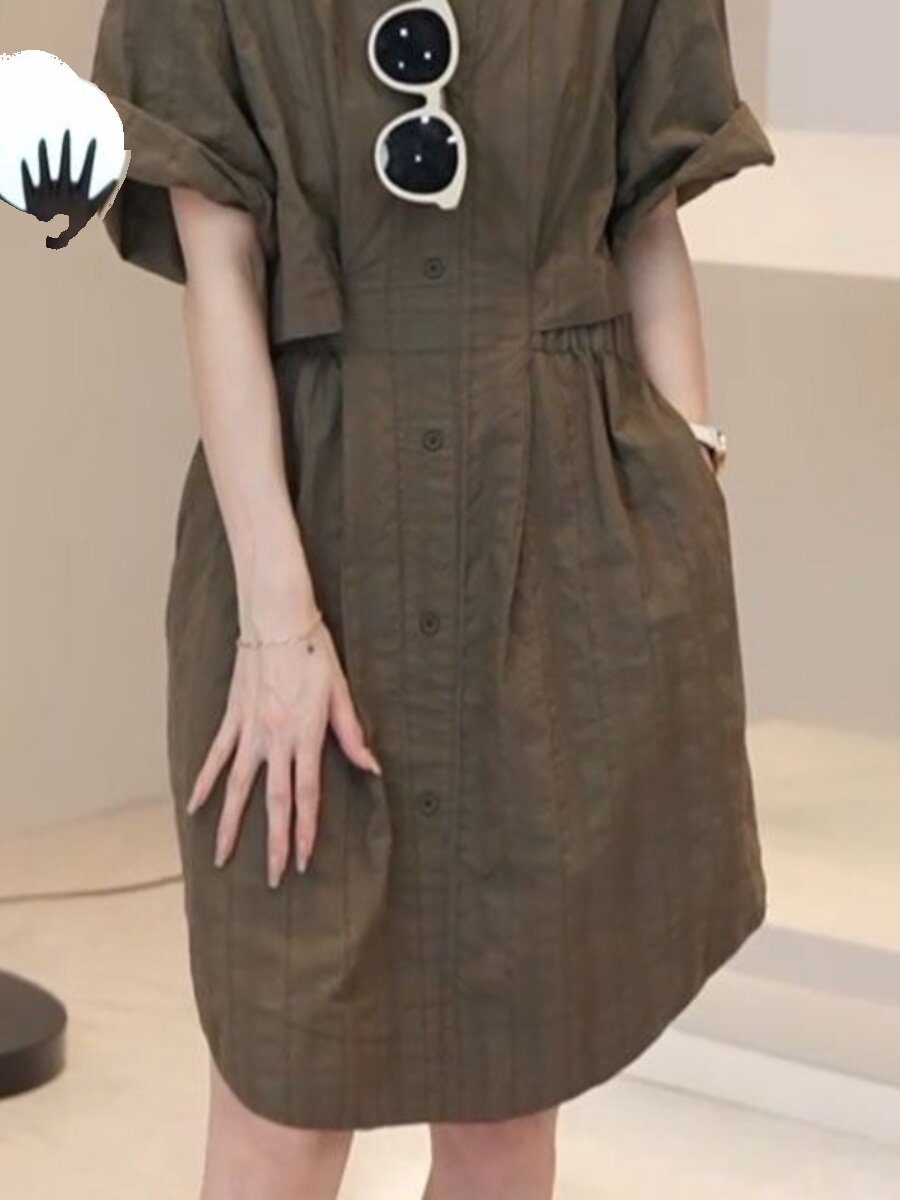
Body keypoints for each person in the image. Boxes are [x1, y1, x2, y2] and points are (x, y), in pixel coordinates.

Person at [89, 0, 776, 1197]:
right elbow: (220, 263)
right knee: (281, 1107)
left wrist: (688, 494)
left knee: (505, 1110)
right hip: (310, 537)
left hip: (560, 540)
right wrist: (278, 625)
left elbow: (648, 222)